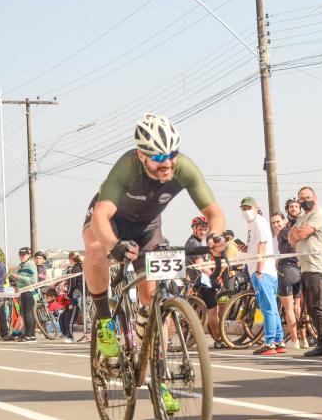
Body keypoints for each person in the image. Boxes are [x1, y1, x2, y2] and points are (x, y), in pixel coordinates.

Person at [82, 113, 226, 363]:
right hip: (111, 220)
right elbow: (100, 216)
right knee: (95, 250)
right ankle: (105, 321)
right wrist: (113, 245)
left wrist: (215, 235)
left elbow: (214, 214)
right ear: (141, 155)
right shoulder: (127, 167)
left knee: (153, 298)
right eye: (158, 157)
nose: (167, 162)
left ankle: (159, 368)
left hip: (147, 226)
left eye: (172, 154)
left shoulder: (184, 168)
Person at [288, 186, 322, 357]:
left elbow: (301, 235)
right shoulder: (302, 217)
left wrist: (298, 232)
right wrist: (296, 232)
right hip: (305, 267)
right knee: (312, 308)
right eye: (301, 198)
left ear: (315, 198)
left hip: (317, 266)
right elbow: (291, 238)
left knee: (318, 307)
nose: (305, 201)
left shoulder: (318, 214)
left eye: (308, 197)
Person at [241, 197, 282, 355]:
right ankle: (278, 340)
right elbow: (256, 246)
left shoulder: (259, 222)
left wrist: (259, 271)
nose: (246, 211)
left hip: (262, 272)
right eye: (243, 208)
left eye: (248, 207)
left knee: (268, 309)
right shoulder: (252, 224)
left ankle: (270, 342)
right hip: (263, 271)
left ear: (256, 207)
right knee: (272, 308)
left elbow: (262, 246)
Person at [184, 215, 224, 346]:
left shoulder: (197, 242)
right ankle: (218, 340)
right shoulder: (193, 243)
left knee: (205, 311)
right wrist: (214, 277)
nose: (203, 232)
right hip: (201, 280)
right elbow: (201, 265)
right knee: (212, 310)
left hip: (199, 279)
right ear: (194, 229)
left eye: (205, 229)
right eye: (200, 229)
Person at [271, 209, 304, 349]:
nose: (275, 225)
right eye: (273, 223)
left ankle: (295, 340)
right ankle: (304, 340)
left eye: (278, 221)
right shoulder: (287, 232)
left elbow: (293, 242)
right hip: (297, 269)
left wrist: (279, 260)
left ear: (284, 221)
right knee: (297, 307)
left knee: (289, 308)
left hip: (286, 270)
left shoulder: (284, 232)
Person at [9, 247, 38, 342]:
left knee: (27, 313)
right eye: (20, 254)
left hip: (29, 291)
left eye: (24, 255)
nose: (21, 256)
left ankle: (28, 335)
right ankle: (31, 335)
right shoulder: (21, 265)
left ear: (29, 255)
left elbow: (33, 280)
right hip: (23, 291)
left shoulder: (30, 264)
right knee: (26, 314)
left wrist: (18, 277)